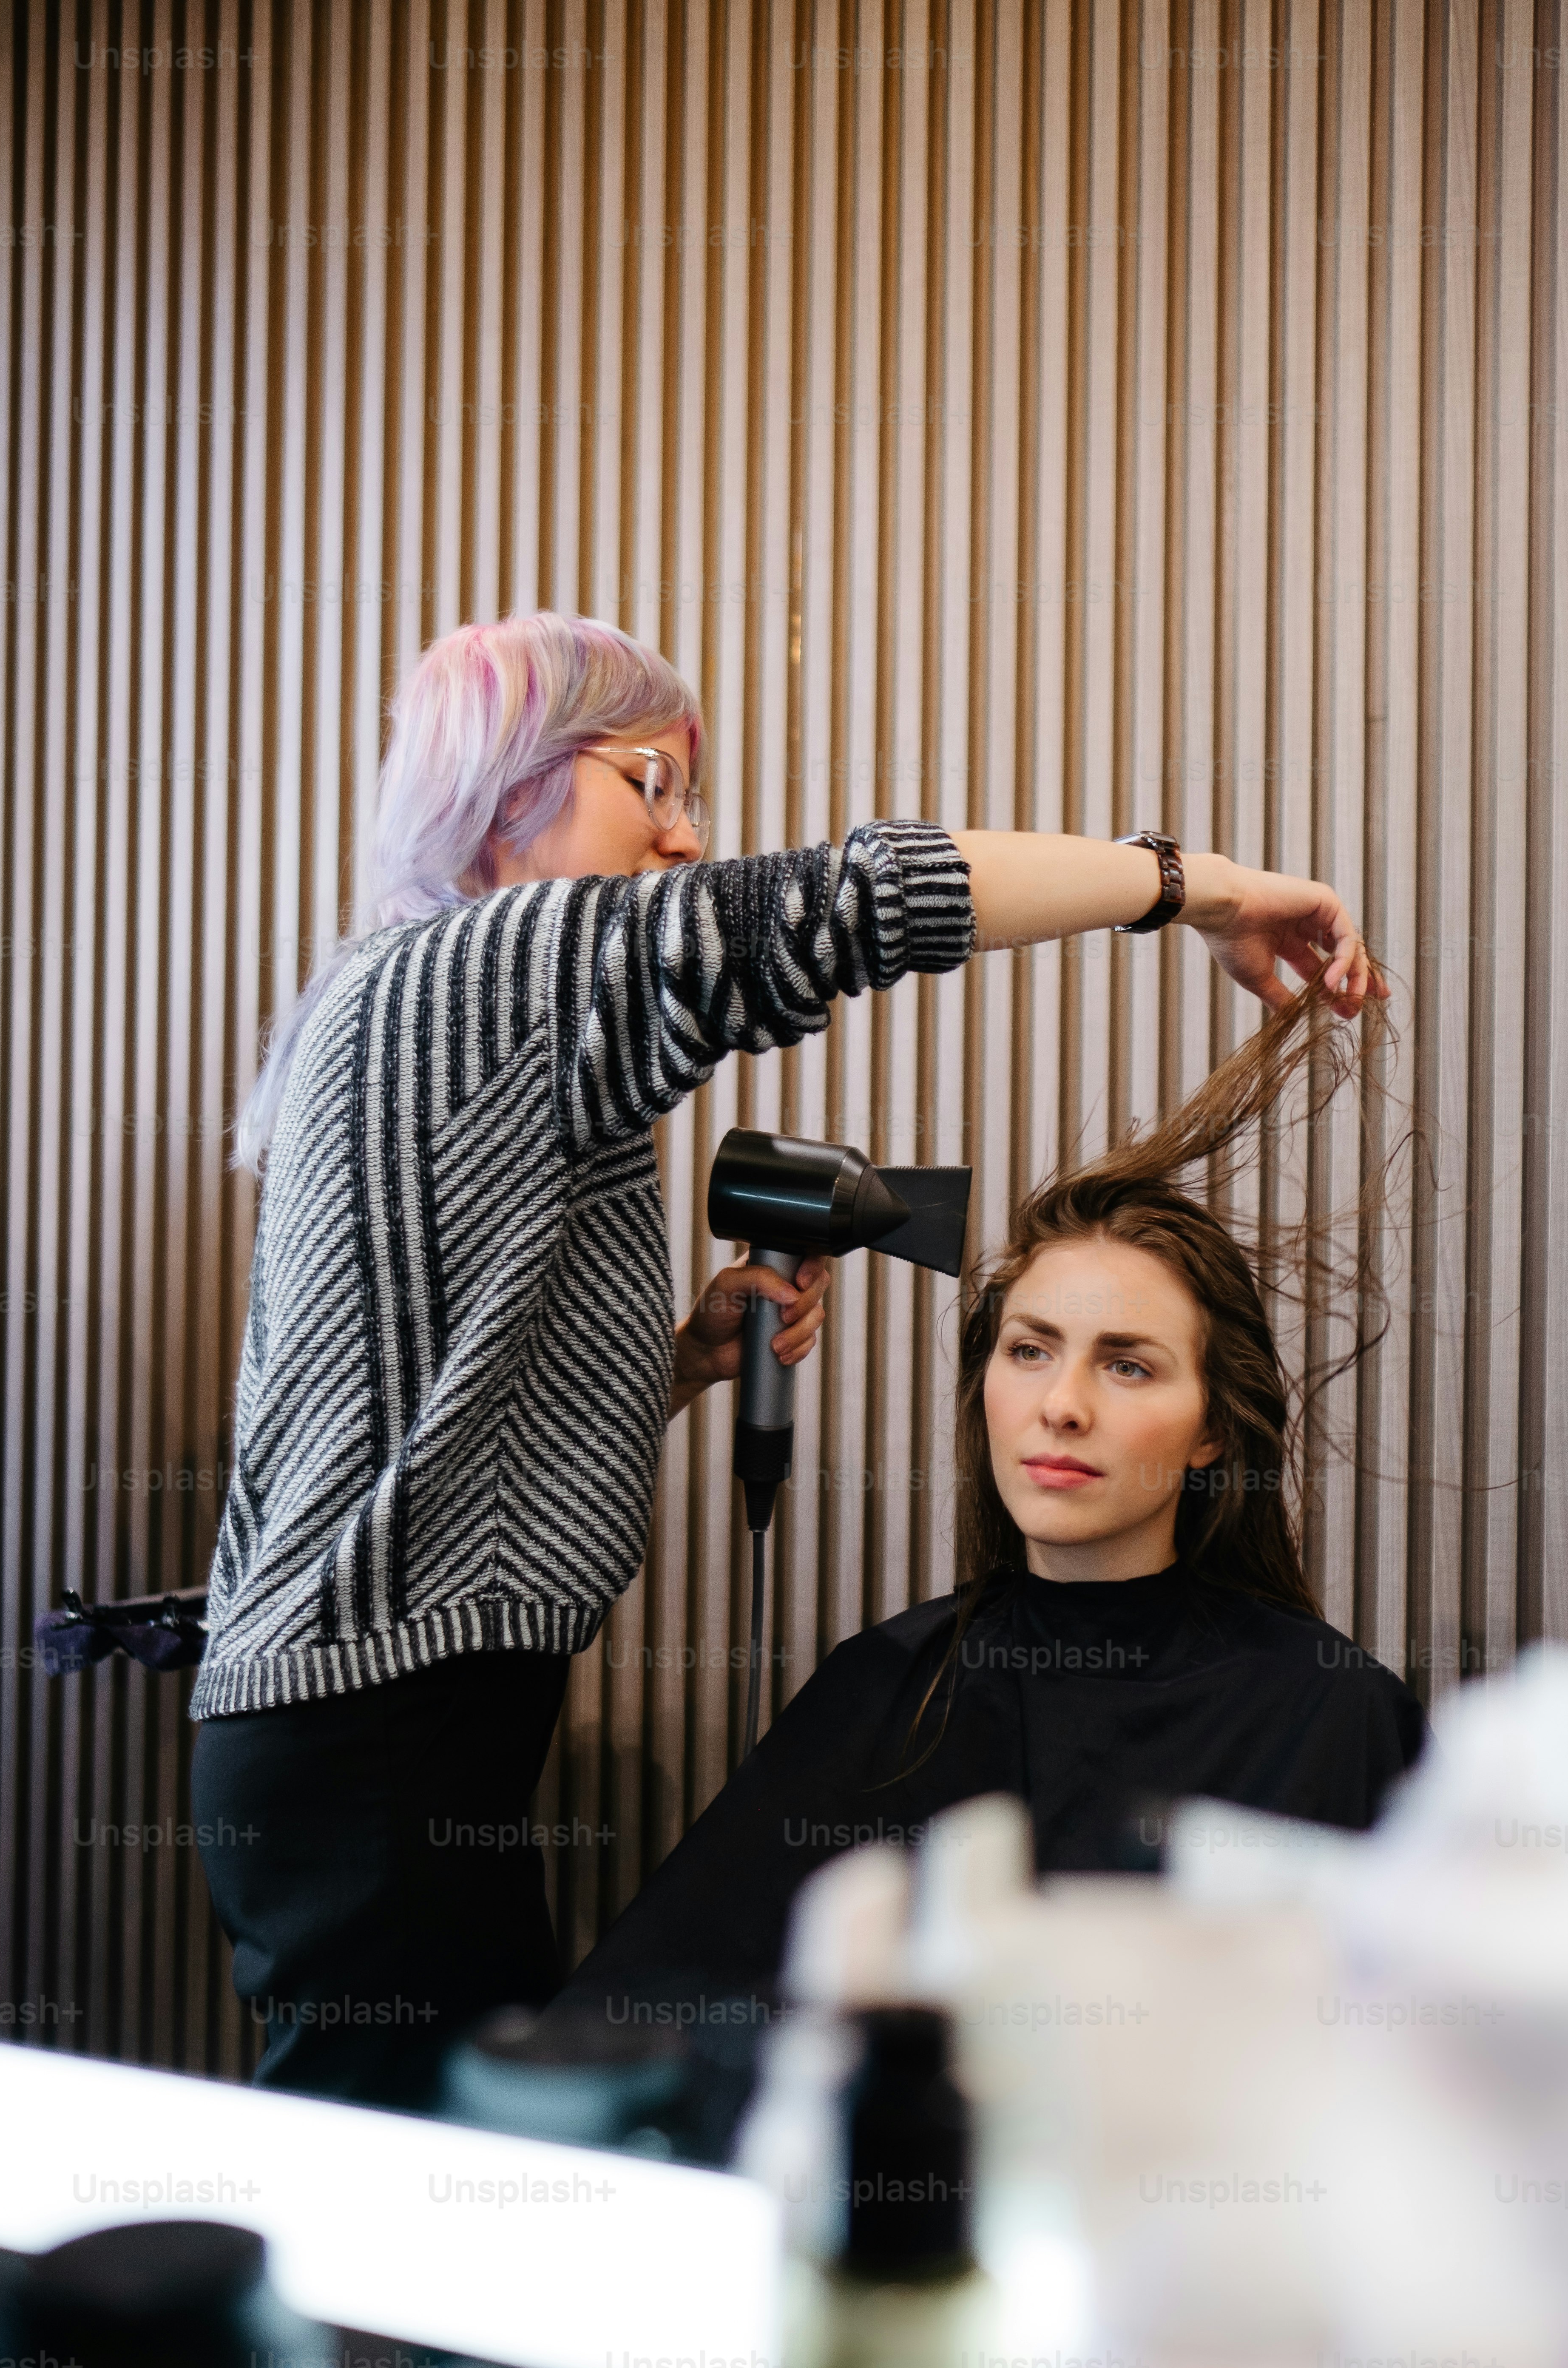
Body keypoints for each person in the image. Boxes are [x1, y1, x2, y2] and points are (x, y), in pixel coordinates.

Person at [190, 608, 1381, 2104]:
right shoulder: (494, 970)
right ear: (513, 779)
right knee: (410, 2190)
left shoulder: (433, 999)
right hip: (376, 1730)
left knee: (454, 2149)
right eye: (652, 782)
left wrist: (675, 1361)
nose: (686, 840)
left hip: (380, 1715)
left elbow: (423, 1385)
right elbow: (867, 899)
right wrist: (1197, 890)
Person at [554, 977, 1426, 2014]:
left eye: (1129, 1365)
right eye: (1030, 1350)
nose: (1060, 1405)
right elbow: (639, 2015)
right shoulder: (887, 1692)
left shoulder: (1330, 1713)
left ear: (1210, 1433)